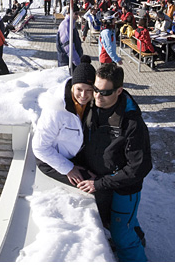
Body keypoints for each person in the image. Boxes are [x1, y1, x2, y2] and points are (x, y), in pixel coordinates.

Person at [76, 63, 152, 262]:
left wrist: (100, 183)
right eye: (96, 90)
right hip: (102, 180)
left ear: (119, 90)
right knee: (119, 222)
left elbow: (139, 167)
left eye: (105, 92)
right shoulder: (93, 104)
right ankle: (137, 235)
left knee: (122, 236)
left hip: (125, 188)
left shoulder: (132, 123)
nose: (98, 96)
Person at [33, 58, 96, 185]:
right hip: (51, 160)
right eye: (79, 89)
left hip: (73, 154)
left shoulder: (89, 104)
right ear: (72, 86)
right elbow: (39, 147)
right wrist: (69, 168)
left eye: (89, 90)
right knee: (89, 183)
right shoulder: (56, 110)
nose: (84, 95)